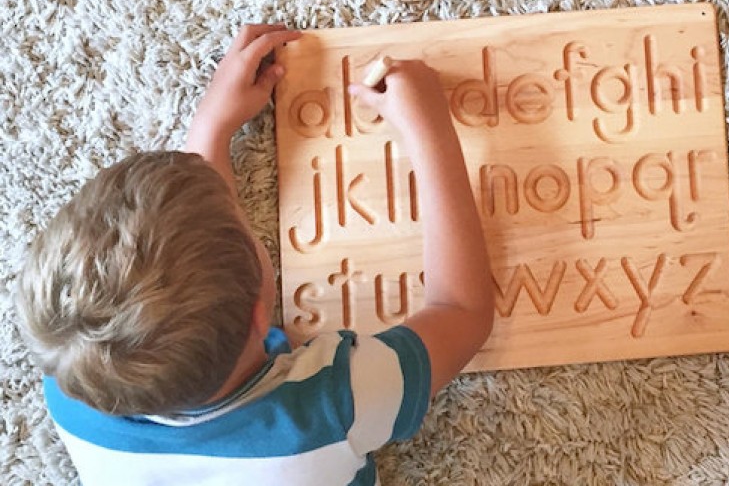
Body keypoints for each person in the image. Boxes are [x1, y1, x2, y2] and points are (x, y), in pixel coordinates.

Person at [15, 24, 494, 485]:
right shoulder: (330, 409)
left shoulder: (70, 382)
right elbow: (462, 311)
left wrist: (213, 125)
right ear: (258, 317)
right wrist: (429, 128)